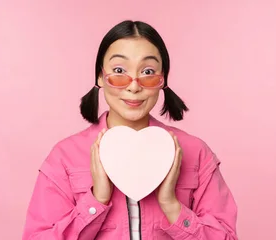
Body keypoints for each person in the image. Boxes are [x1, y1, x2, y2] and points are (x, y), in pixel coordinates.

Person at [22, 20, 238, 240]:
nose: (134, 86)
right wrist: (96, 201)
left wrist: (171, 205)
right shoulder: (64, 157)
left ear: (162, 79)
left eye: (148, 71)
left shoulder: (196, 153)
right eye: (118, 71)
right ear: (100, 76)